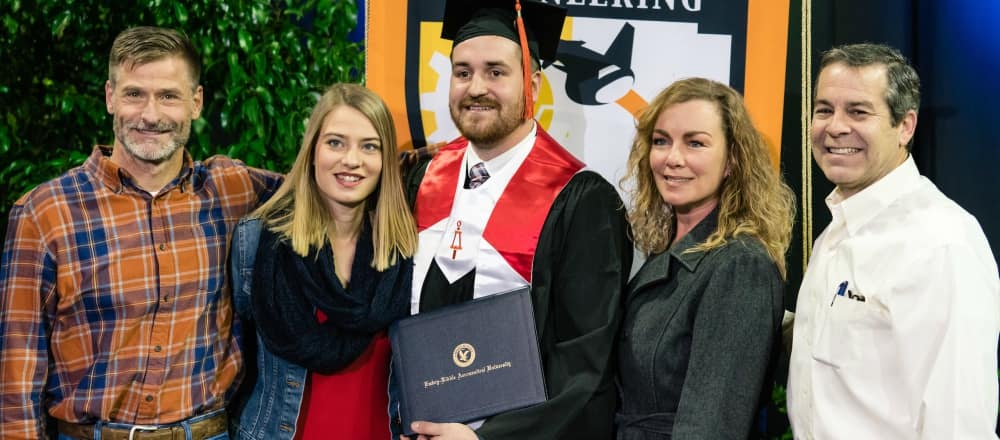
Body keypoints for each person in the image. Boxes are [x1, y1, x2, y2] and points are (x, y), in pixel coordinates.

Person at [0, 26, 282, 439]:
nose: (150, 115)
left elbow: (329, 184)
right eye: (134, 94)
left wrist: (412, 167)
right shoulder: (45, 213)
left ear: (196, 102)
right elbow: (16, 374)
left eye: (168, 95)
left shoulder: (232, 189)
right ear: (110, 97)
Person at [397, 0, 633, 439]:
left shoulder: (582, 202)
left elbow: (585, 365)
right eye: (463, 72)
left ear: (534, 84)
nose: (475, 87)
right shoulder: (423, 180)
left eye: (496, 72)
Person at [787, 43, 1000, 438]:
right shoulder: (837, 228)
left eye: (858, 111)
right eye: (823, 109)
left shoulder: (941, 242)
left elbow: (958, 421)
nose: (834, 127)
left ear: (905, 126)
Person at [229, 83, 417, 439]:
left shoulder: (407, 249)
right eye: (335, 142)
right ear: (312, 150)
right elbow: (236, 362)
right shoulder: (256, 241)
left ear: (385, 159)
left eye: (369, 146)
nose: (351, 160)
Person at [615, 78, 795, 439]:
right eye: (661, 141)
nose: (672, 158)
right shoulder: (668, 249)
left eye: (695, 143)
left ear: (731, 160)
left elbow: (712, 425)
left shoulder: (740, 264)